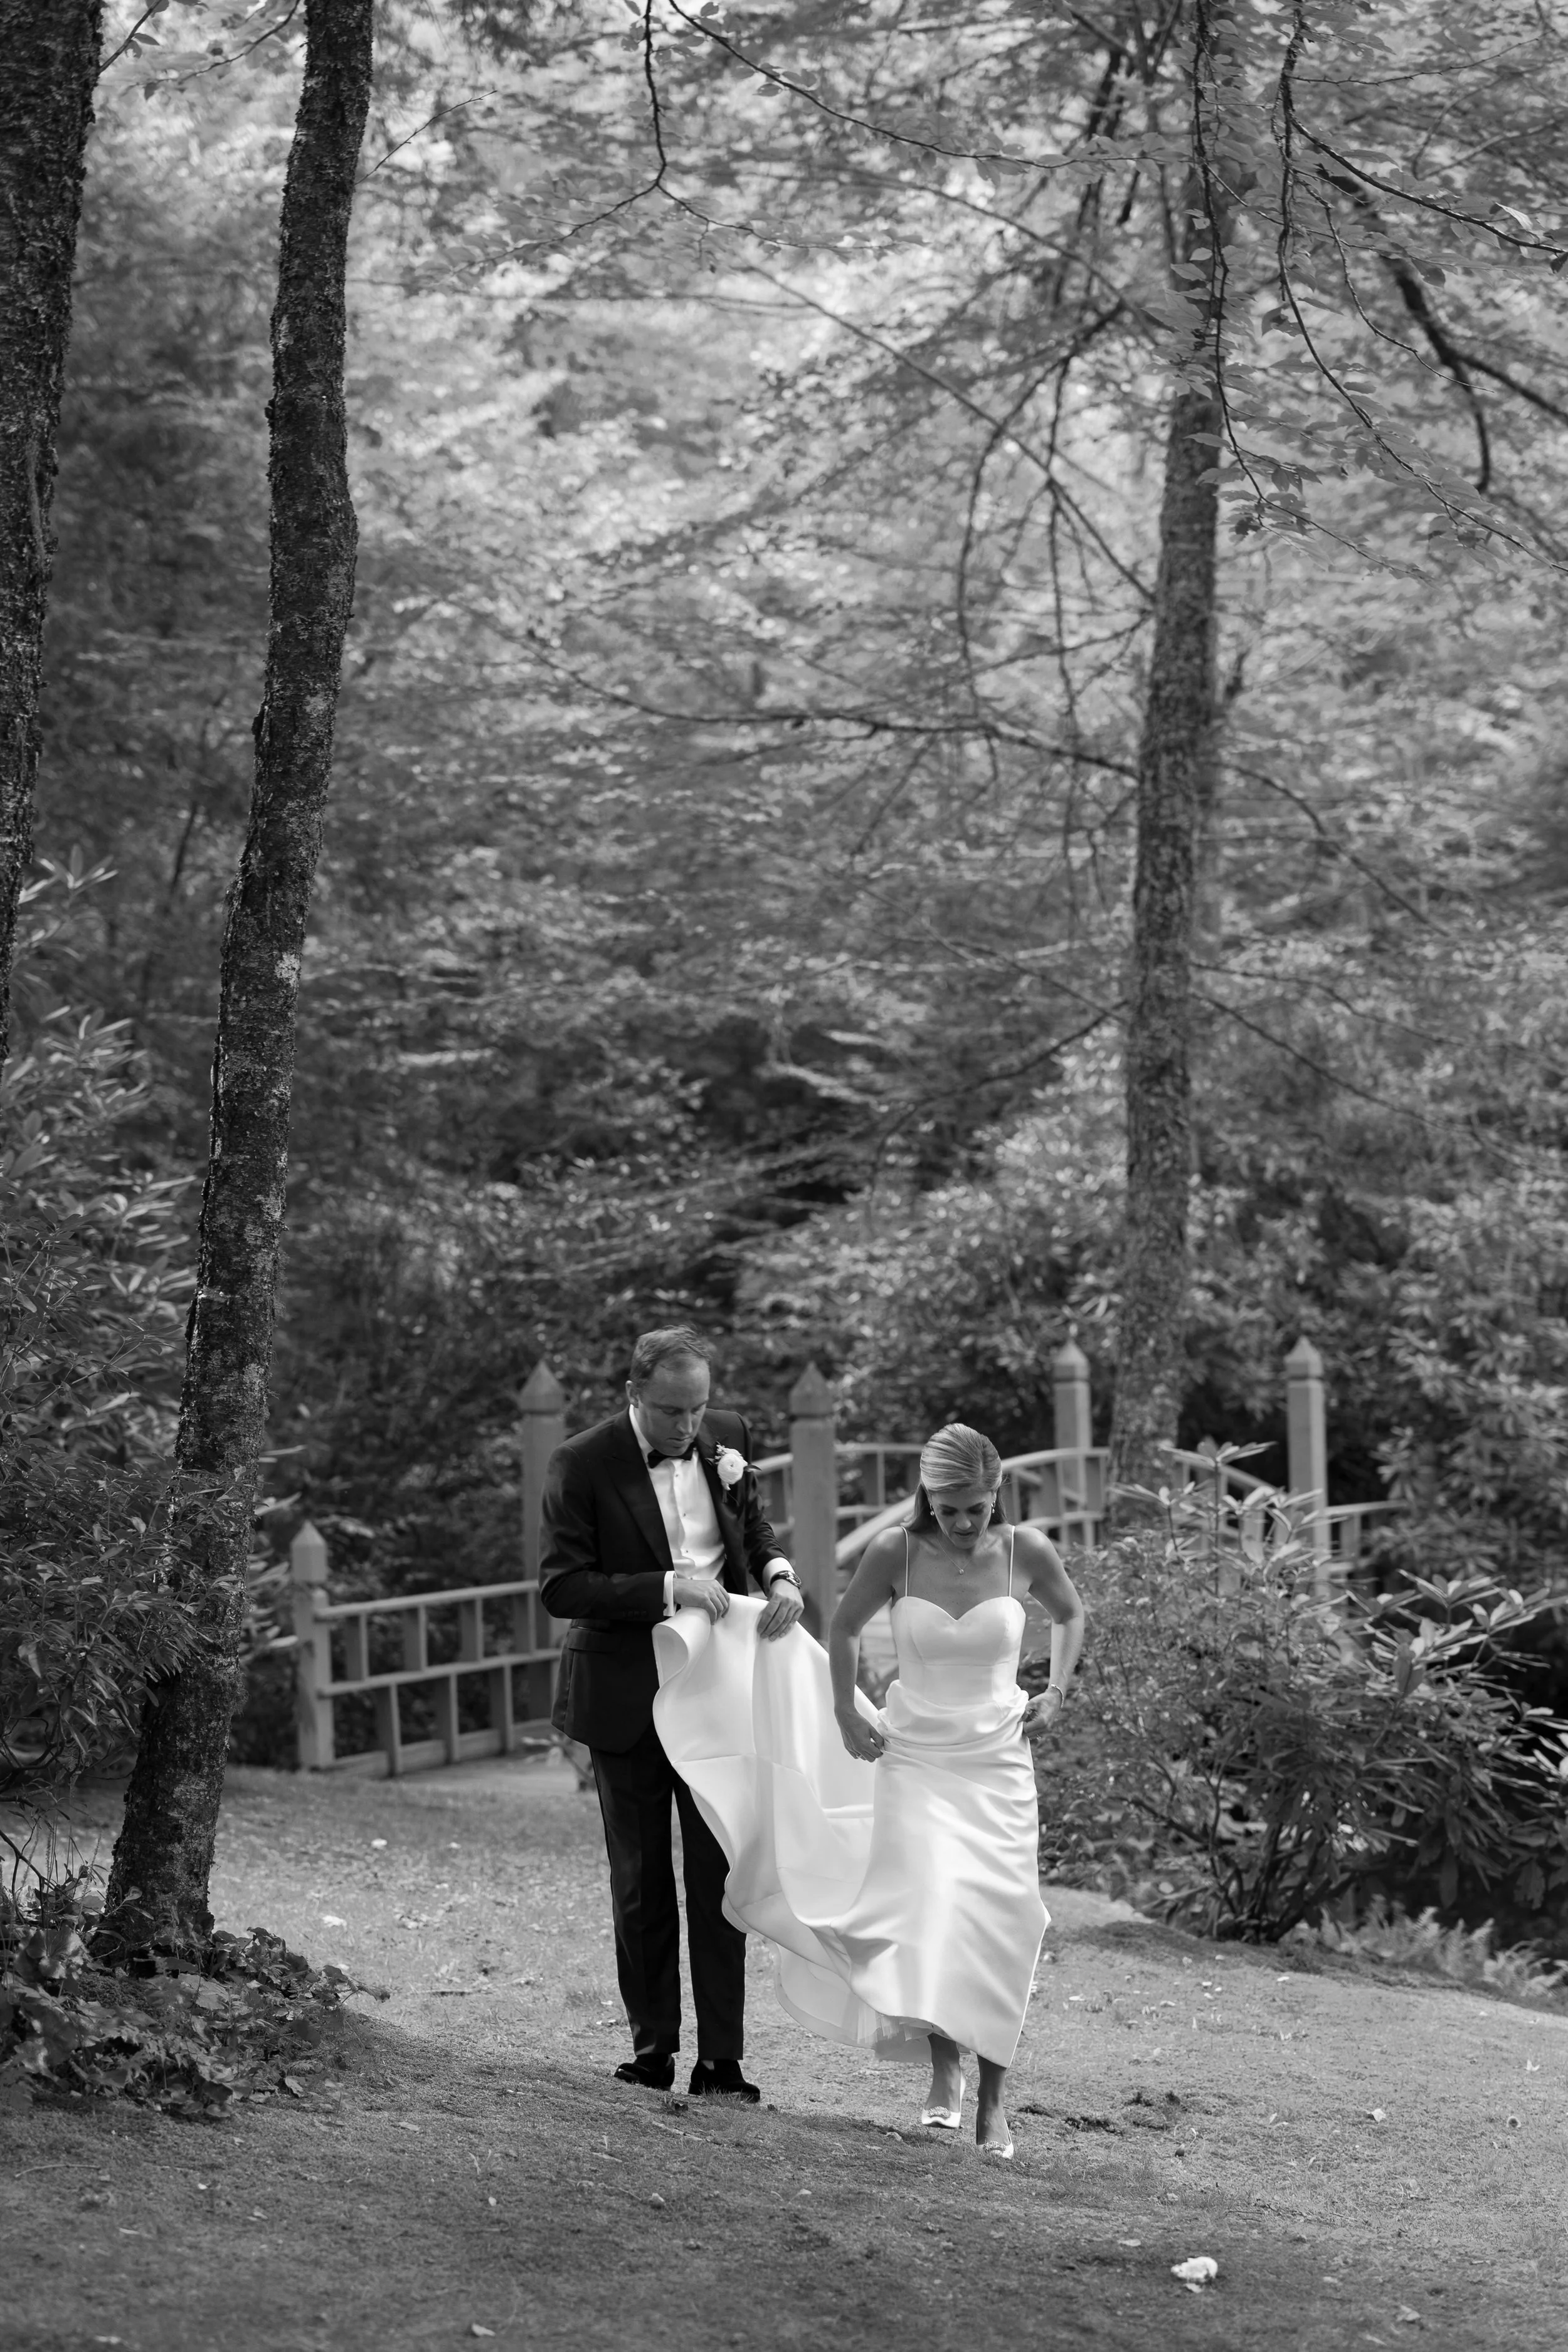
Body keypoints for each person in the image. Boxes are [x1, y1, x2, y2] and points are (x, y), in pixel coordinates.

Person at [650, 1421, 1084, 2156]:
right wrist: (845, 1711)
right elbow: (842, 1632)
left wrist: (1059, 1689)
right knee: (930, 1912)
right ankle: (944, 2065)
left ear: (995, 1494)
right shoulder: (896, 1552)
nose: (962, 1523)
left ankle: (995, 2100)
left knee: (1005, 1918)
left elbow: (1071, 1614)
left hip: (998, 1762)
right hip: (915, 1758)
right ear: (927, 1498)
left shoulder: (1026, 1551)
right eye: (948, 1509)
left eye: (975, 1508)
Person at [539, 1326, 805, 2100]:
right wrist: (667, 1586)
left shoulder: (728, 1439)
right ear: (633, 1396)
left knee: (720, 1872)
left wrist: (780, 1576)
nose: (690, 1427)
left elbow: (750, 1530)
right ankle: (652, 2051)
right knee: (642, 1879)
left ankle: (722, 2061)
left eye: (698, 1409)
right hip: (625, 1694)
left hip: (720, 1691)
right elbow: (562, 1588)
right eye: (670, 1413)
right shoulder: (580, 1463)